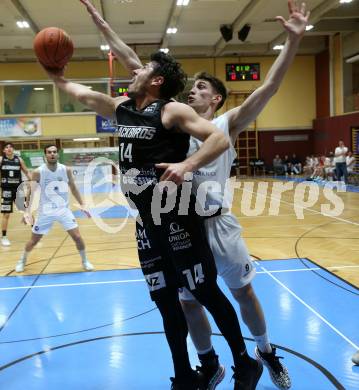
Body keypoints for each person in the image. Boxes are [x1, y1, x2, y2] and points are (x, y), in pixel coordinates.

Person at [79, 0, 309, 388]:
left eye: (201, 88)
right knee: (188, 302)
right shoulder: (168, 119)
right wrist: (103, 26)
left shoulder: (224, 122)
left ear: (215, 99)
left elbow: (269, 87)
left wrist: (293, 42)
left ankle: (265, 351)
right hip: (178, 222)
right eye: (191, 87)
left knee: (242, 292)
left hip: (217, 223)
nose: (193, 91)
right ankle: (211, 364)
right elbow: (133, 61)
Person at [47, 12, 263, 389]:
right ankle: (183, 376)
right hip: (146, 221)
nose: (134, 71)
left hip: (178, 215)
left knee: (204, 290)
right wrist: (56, 75)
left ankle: (245, 362)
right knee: (165, 301)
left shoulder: (172, 110)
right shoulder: (121, 108)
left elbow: (219, 139)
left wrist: (188, 164)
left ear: (157, 79)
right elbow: (82, 94)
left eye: (142, 68)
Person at [16, 145, 94, 273]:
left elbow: (73, 188)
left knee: (78, 237)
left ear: (57, 154)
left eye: (54, 152)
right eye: (49, 152)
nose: (52, 154)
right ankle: (22, 261)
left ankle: (85, 261)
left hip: (64, 210)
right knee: (34, 240)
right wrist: (27, 212)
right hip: (45, 211)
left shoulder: (66, 170)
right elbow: (31, 192)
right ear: (45, 155)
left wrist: (83, 204)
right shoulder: (38, 172)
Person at [0, 142, 31, 246]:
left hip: (19, 190)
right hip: (6, 191)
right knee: (6, 214)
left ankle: (36, 234)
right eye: (6, 147)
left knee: (26, 211)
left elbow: (26, 172)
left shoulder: (19, 160)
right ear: (4, 150)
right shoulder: (1, 160)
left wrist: (33, 182)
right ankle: (4, 237)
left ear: (13, 149)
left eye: (11, 147)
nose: (9, 149)